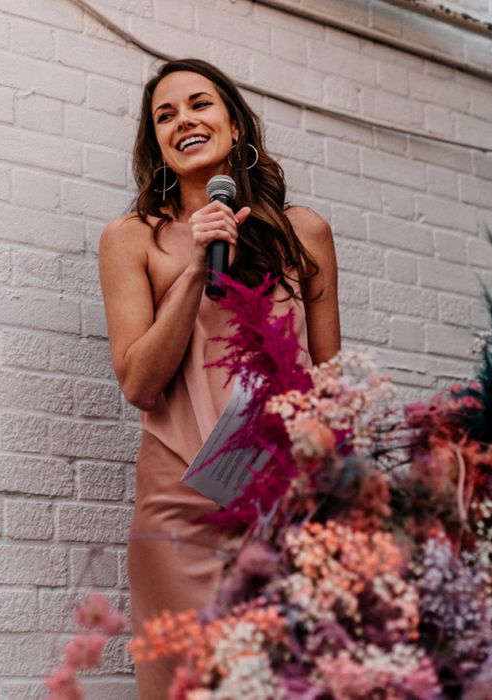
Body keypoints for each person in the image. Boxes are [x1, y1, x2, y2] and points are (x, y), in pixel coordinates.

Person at [99, 58, 340, 698]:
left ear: (234, 122)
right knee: (188, 684)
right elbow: (140, 385)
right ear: (156, 144)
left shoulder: (304, 233)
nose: (184, 122)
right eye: (165, 116)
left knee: (288, 680)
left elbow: (329, 382)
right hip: (179, 504)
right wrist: (194, 271)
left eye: (199, 105)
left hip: (280, 499)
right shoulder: (132, 239)